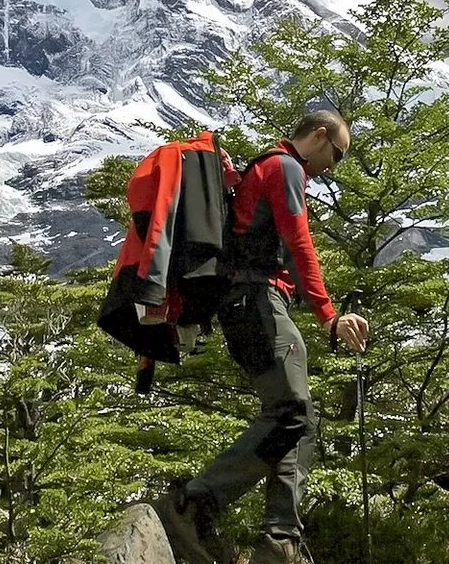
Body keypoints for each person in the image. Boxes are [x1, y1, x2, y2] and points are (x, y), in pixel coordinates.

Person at [154, 111, 369, 564]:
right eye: (338, 154)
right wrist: (328, 315)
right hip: (257, 303)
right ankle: (194, 503)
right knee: (292, 412)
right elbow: (298, 240)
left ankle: (280, 538)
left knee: (297, 416)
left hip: (247, 305)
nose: (335, 165)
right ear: (320, 135)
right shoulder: (286, 167)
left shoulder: (265, 167)